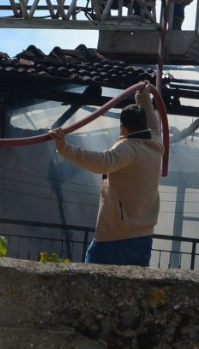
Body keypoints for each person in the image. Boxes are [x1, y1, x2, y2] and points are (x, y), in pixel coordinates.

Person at [49, 82, 162, 266]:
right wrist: (143, 98)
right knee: (133, 292)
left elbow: (102, 162)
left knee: (92, 284)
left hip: (116, 237)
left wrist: (64, 148)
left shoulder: (129, 148)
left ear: (122, 127)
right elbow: (152, 120)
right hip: (144, 236)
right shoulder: (156, 142)